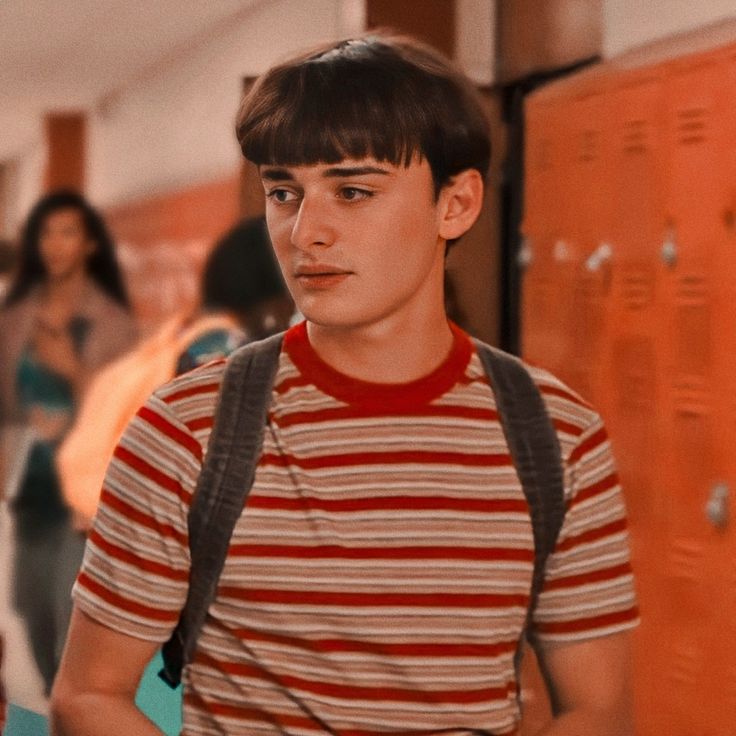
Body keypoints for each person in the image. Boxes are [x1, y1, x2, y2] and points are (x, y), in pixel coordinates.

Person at [51, 34, 638, 736]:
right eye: (283, 193)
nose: (306, 232)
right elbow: (88, 695)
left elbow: (597, 708)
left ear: (456, 205)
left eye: (353, 191)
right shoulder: (188, 428)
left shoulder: (555, 434)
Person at [0, 190, 138, 696]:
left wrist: (72, 373)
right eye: (47, 233)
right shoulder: (16, 318)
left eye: (68, 232)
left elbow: (124, 410)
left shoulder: (112, 323)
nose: (56, 244)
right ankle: (54, 704)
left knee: (70, 625)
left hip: (83, 500)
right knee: (31, 612)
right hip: (29, 489)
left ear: (89, 244)